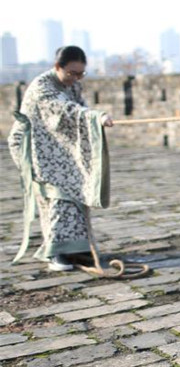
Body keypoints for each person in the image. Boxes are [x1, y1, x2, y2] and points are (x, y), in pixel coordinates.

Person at [7, 46, 113, 272]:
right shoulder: (42, 87)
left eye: (81, 74)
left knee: (77, 190)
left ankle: (76, 247)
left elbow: (79, 107)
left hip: (58, 149)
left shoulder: (73, 85)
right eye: (72, 73)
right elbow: (64, 110)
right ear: (58, 67)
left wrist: (96, 118)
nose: (76, 79)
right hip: (34, 147)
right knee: (57, 196)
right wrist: (95, 117)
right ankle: (56, 253)